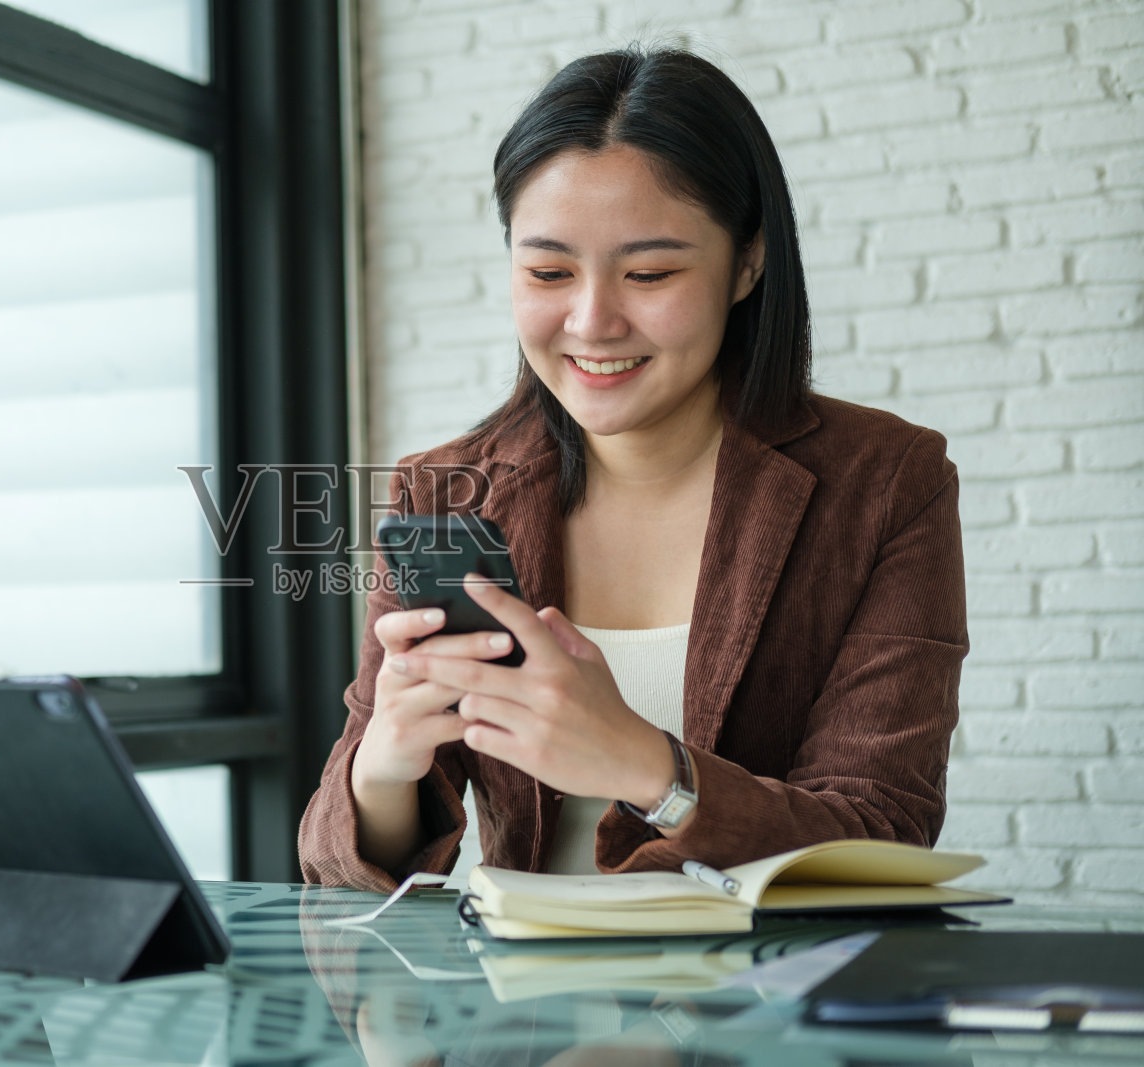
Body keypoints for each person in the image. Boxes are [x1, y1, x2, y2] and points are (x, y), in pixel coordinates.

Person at [298, 46, 968, 893]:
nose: (592, 320)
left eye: (649, 273)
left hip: (761, 1014)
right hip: (520, 1016)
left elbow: (886, 834)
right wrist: (387, 760)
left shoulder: (887, 482)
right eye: (548, 271)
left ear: (748, 263)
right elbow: (335, 863)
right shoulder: (446, 488)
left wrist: (647, 765)